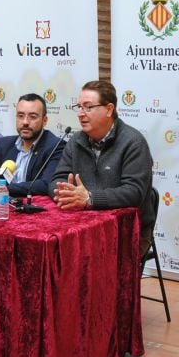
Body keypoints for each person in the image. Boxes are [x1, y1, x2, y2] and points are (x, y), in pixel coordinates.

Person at [49, 80, 156, 256]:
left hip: (127, 232)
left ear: (109, 109)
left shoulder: (133, 142)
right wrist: (67, 193)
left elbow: (134, 192)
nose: (80, 114)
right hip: (81, 226)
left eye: (88, 107)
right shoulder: (76, 141)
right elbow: (56, 179)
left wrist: (89, 199)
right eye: (79, 107)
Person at [0, 93, 66, 197]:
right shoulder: (4, 144)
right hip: (4, 206)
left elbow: (46, 185)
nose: (25, 122)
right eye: (20, 116)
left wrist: (0, 188)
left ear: (44, 120)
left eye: (32, 117)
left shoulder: (56, 146)